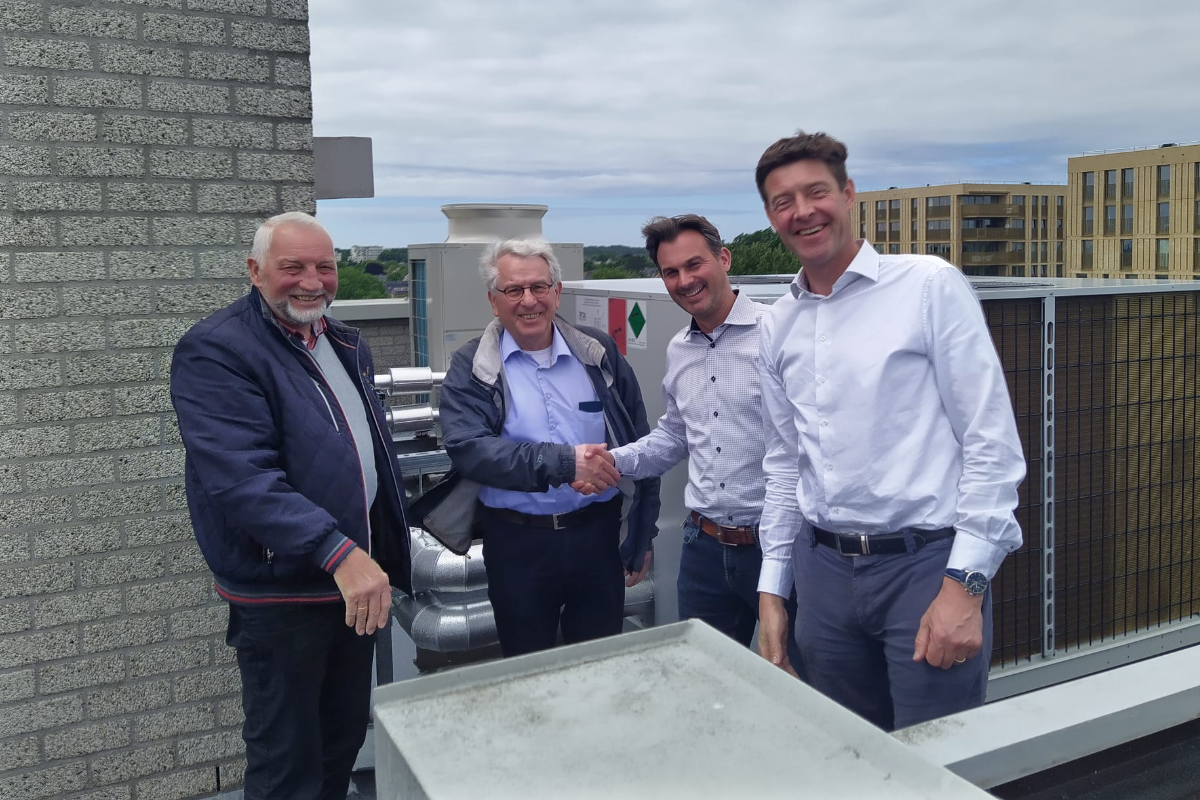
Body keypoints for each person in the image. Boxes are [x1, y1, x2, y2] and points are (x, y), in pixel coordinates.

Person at [753, 131, 1026, 731]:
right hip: (821, 578)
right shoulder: (777, 324)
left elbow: (990, 443)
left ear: (848, 194)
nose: (802, 212)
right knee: (847, 752)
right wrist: (773, 591)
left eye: (816, 192)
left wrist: (966, 586)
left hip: (923, 571)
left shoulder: (928, 286)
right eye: (782, 201)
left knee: (940, 757)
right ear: (771, 217)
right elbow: (784, 462)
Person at [170, 211, 411, 799]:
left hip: (352, 590)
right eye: (292, 267)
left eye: (325, 267)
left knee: (339, 745)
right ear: (255, 271)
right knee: (287, 765)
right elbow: (241, 479)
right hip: (286, 594)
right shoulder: (217, 349)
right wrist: (338, 551)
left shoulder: (342, 341)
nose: (311, 281)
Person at [576, 214, 801, 675]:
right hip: (704, 550)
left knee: (792, 683)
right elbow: (674, 436)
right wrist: (612, 461)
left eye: (694, 264)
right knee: (705, 680)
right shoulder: (679, 347)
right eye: (671, 272)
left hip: (779, 547)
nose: (684, 281)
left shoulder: (780, 333)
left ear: (724, 259)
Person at [437, 238, 660, 657]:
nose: (529, 300)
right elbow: (470, 450)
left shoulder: (598, 354)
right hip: (518, 546)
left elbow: (643, 443)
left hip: (597, 538)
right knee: (528, 668)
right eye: (513, 290)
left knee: (599, 665)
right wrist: (566, 464)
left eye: (539, 287)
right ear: (493, 301)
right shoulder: (472, 366)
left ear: (557, 292)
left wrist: (642, 532)